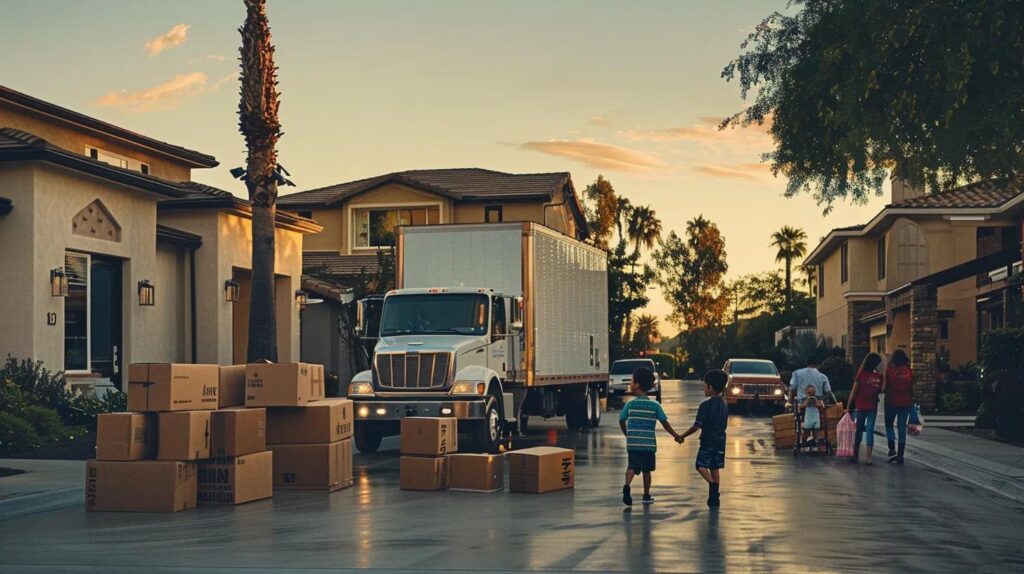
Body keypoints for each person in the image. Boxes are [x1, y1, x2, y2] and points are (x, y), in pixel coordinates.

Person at [619, 367, 682, 506]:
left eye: (631, 380)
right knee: (647, 470)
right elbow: (665, 423)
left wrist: (627, 434)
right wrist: (676, 436)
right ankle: (646, 495)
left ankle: (627, 486)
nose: (630, 383)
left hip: (633, 443)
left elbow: (621, 420)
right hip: (648, 445)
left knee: (631, 467)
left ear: (637, 385)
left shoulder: (630, 404)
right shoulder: (654, 405)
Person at [680, 370, 729, 508]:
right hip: (721, 439)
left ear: (710, 387)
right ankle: (714, 495)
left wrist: (682, 436)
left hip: (708, 439)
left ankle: (712, 485)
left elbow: (697, 426)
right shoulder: (724, 404)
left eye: (705, 385)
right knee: (715, 466)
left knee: (700, 465)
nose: (703, 388)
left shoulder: (705, 406)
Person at [848, 352, 883, 464]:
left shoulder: (861, 374)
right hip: (872, 406)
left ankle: (855, 454)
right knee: (869, 430)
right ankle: (869, 457)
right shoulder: (879, 377)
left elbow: (854, 391)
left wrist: (848, 406)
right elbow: (881, 390)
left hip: (861, 405)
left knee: (859, 430)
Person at [883, 349, 914, 464]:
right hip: (906, 401)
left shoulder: (889, 370)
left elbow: (885, 386)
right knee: (901, 428)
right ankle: (900, 455)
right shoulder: (909, 372)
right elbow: (912, 387)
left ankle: (891, 448)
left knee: (889, 425)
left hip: (891, 401)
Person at [800, 384, 824, 449]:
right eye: (810, 392)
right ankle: (804, 443)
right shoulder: (804, 399)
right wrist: (808, 399)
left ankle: (816, 443)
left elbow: (821, 406)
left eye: (813, 391)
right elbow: (802, 406)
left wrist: (816, 400)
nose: (811, 393)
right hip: (807, 417)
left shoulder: (817, 398)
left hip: (816, 417)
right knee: (806, 432)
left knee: (816, 431)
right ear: (806, 392)